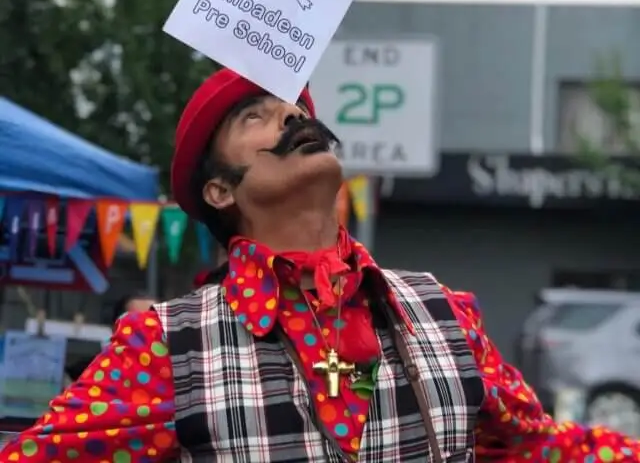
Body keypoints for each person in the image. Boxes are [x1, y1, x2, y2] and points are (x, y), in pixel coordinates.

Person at [3, 68, 639, 462]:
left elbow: (540, 448)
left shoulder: (444, 312)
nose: (290, 116)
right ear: (219, 191)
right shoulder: (165, 346)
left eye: (294, 109)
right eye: (255, 116)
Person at [65, 291, 158, 381]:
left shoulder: (168, 377)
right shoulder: (85, 375)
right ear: (116, 328)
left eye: (153, 322)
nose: (146, 329)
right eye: (135, 322)